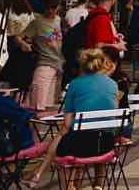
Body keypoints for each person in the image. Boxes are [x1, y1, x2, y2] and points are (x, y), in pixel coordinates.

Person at [30, 47, 120, 187]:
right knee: (79, 138)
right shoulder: (113, 84)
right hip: (106, 144)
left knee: (62, 145)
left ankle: (68, 186)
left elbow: (66, 125)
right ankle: (97, 186)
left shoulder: (75, 84)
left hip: (81, 147)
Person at [24, 0, 64, 112]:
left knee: (46, 110)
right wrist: (25, 45)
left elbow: (57, 42)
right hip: (43, 66)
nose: (51, 11)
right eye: (49, 7)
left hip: (56, 67)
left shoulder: (57, 20)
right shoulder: (37, 21)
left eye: (54, 8)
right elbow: (20, 37)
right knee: (37, 108)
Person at [83, 0, 127, 64]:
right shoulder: (102, 18)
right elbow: (99, 45)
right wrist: (117, 46)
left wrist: (115, 38)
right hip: (99, 66)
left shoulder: (99, 15)